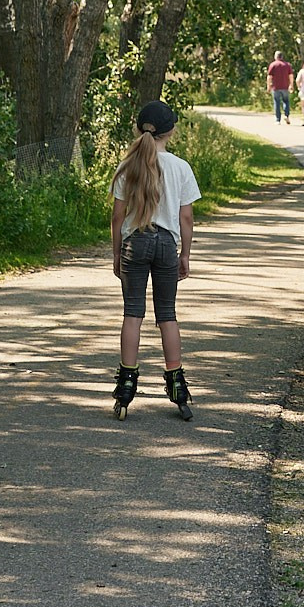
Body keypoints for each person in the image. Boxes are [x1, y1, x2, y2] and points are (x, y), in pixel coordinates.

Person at [110, 100, 201, 421]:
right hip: (165, 244)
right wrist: (185, 254)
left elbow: (118, 217)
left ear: (139, 129)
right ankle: (177, 386)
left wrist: (117, 252)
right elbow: (186, 218)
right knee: (167, 316)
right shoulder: (180, 168)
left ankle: (125, 387)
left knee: (132, 314)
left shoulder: (127, 167)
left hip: (135, 243)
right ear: (171, 131)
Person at [265, 50, 294, 124]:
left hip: (276, 87)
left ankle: (278, 119)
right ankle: (286, 116)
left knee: (277, 102)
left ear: (275, 57)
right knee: (286, 101)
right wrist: (291, 85)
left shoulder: (273, 65)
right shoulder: (287, 65)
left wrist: (268, 86)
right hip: (285, 86)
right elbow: (290, 76)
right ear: (282, 57)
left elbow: (269, 77)